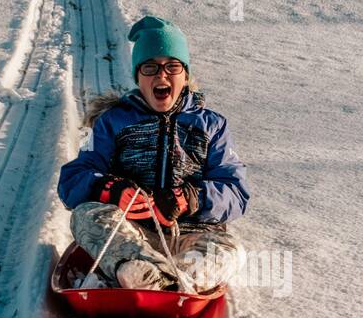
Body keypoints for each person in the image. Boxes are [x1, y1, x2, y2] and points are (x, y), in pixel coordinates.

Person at [57, 16, 249, 292]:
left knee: (231, 251)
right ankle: (148, 273)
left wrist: (191, 198)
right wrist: (109, 189)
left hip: (193, 233)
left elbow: (236, 191)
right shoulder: (112, 122)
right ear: (138, 77)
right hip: (132, 234)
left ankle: (172, 278)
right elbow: (72, 180)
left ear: (185, 75)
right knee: (86, 215)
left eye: (172, 66)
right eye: (150, 67)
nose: (161, 75)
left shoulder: (212, 126)